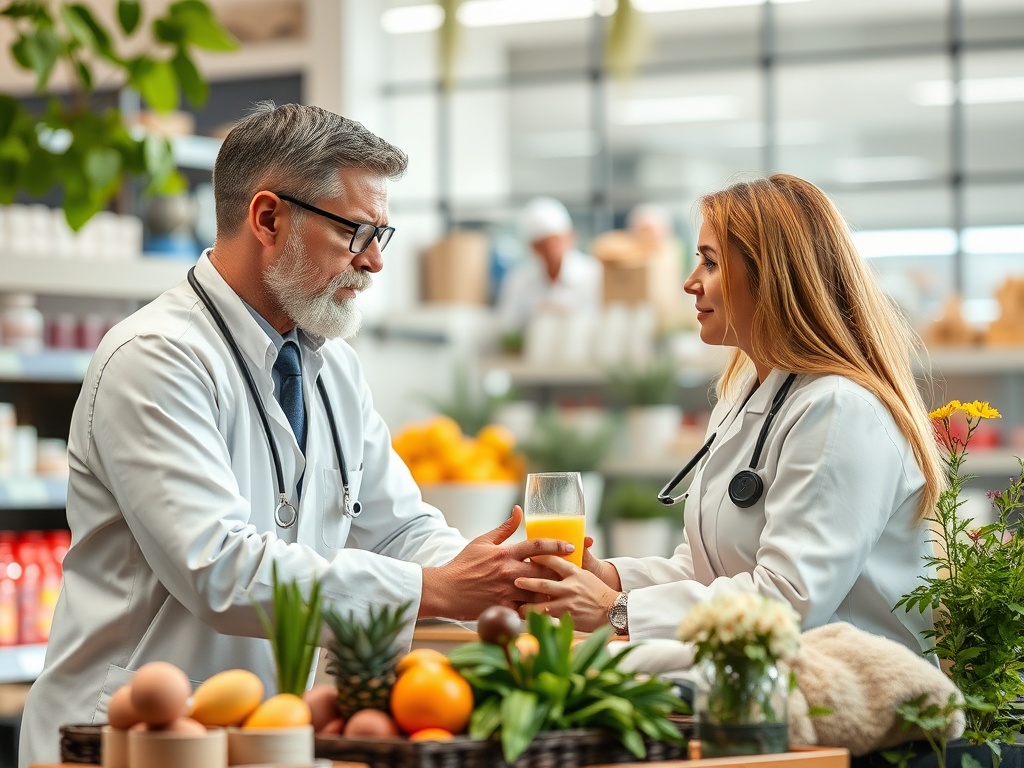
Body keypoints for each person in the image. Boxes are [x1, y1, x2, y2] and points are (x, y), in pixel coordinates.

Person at [19, 103, 573, 766]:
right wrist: (439, 590)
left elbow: (400, 531)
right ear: (268, 218)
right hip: (125, 741)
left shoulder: (330, 364)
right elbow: (216, 567)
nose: (374, 263)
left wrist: (507, 578)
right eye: (357, 232)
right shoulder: (155, 357)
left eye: (382, 235)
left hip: (263, 737)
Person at [516, 173, 944, 657]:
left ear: (773, 276)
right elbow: (711, 571)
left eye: (709, 262)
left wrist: (619, 609)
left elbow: (785, 602)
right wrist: (609, 576)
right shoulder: (746, 394)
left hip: (846, 704)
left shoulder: (839, 410)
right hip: (757, 682)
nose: (689, 281)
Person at [494, 196, 603, 337]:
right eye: (544, 245)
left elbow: (604, 323)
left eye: (557, 241)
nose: (552, 250)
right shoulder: (518, 280)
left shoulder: (593, 273)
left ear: (571, 237)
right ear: (533, 248)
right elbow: (506, 327)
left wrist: (571, 316)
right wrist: (537, 318)